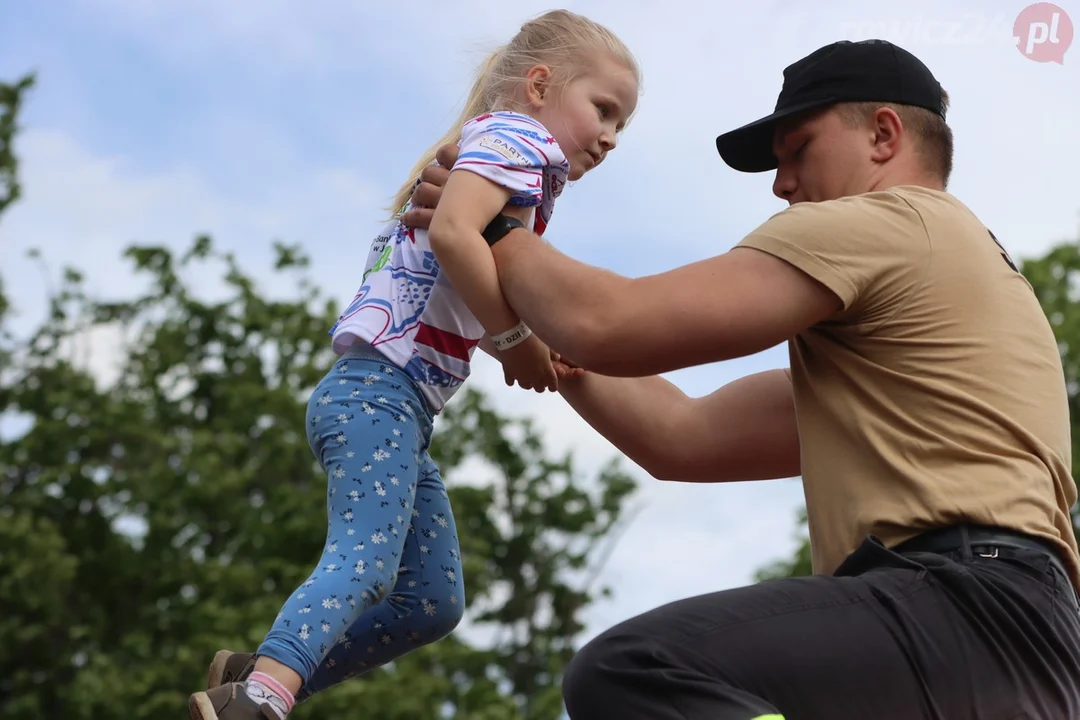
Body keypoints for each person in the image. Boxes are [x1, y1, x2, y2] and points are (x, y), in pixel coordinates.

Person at [399, 39, 1080, 720]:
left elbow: (609, 322)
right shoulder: (931, 315)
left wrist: (493, 226)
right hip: (1019, 644)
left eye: (798, 150)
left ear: (883, 134)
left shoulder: (894, 222)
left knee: (638, 670)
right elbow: (682, 437)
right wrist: (524, 332)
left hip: (960, 605)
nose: (781, 184)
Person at [187, 9, 640, 720]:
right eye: (604, 109)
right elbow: (457, 234)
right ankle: (258, 698)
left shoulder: (506, 155)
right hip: (378, 395)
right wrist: (514, 338)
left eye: (624, 124)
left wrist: (542, 339)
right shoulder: (518, 139)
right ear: (541, 85)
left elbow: (469, 262)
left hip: (401, 410)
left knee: (431, 600)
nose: (612, 136)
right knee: (364, 560)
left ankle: (263, 669)